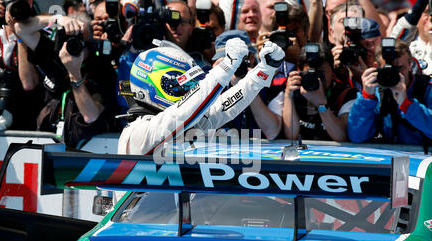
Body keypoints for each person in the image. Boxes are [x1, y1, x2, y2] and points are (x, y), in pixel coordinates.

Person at [117, 38, 285, 155]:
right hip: (143, 208)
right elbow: (182, 113)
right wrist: (227, 65)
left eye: (193, 87)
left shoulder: (178, 126)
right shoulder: (138, 132)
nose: (190, 92)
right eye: (185, 87)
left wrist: (264, 70)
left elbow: (223, 108)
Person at [12, 12, 120, 148]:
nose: (73, 46)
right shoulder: (54, 54)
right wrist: (56, 19)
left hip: (85, 151)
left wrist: (74, 73)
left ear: (90, 41)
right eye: (68, 39)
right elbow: (20, 29)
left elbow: (91, 116)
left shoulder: (100, 68)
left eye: (81, 41)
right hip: (47, 143)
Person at [347, 40, 432, 146]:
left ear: (410, 64)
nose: (395, 74)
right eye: (388, 69)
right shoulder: (374, 92)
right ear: (376, 67)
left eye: (400, 68)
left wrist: (407, 105)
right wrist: (367, 98)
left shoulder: (426, 88)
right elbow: (357, 136)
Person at [0, 0, 43, 131]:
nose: (12, 9)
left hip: (29, 118)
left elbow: (29, 83)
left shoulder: (38, 33)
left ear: (29, 3)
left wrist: (20, 36)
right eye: (8, 2)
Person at [212, 30, 283, 140]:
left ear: (252, 59)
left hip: (258, 153)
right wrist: (215, 83)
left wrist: (249, 86)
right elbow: (201, 127)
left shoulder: (269, 80)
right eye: (226, 61)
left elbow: (272, 132)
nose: (232, 66)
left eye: (236, 61)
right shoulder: (206, 80)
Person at [282, 43, 357, 142]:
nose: (316, 78)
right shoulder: (292, 89)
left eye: (321, 73)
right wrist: (288, 96)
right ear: (299, 71)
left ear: (332, 73)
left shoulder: (345, 94)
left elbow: (341, 136)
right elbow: (291, 135)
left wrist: (321, 104)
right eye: (310, 72)